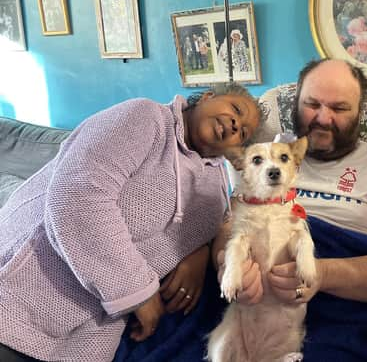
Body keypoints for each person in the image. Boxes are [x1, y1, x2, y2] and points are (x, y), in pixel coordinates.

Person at [0, 83, 261, 362]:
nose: (235, 125)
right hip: (21, 295)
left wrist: (200, 251)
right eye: (236, 110)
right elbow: (77, 195)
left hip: (86, 338)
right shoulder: (145, 117)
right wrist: (138, 293)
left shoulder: (217, 187)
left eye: (243, 132)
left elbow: (215, 228)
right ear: (209, 96)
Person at [214, 58, 367, 306]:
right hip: (257, 302)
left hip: (344, 305)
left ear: (360, 112)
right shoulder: (261, 156)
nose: (324, 118)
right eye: (312, 104)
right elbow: (229, 229)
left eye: (339, 108)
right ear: (296, 104)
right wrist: (225, 268)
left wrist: (322, 274)